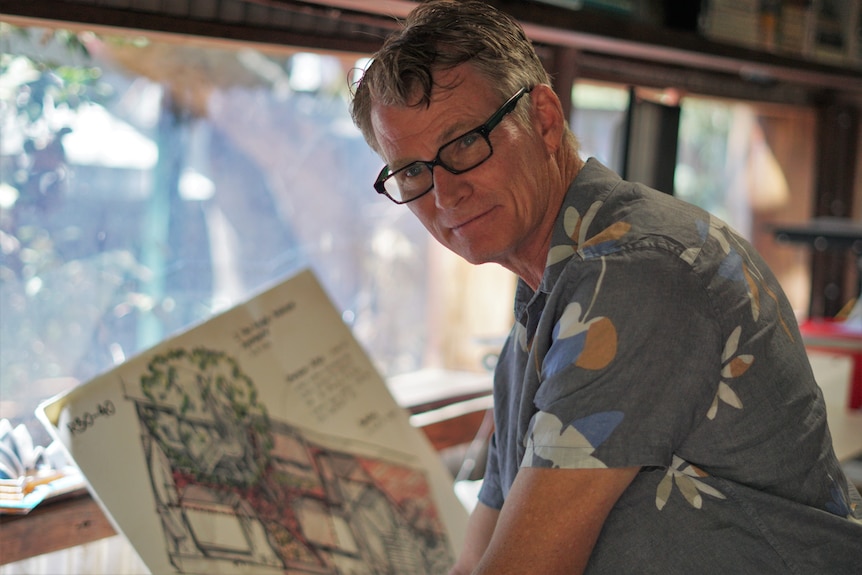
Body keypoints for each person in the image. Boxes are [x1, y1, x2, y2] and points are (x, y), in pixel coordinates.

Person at [349, 1, 862, 573]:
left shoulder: (638, 272)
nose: (445, 195)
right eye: (413, 171)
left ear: (543, 120)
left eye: (465, 142)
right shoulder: (541, 305)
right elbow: (479, 559)